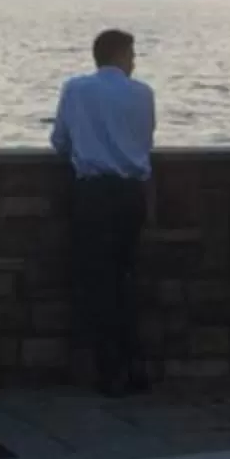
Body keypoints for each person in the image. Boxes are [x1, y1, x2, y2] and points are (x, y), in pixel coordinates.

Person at [51, 28, 156, 393]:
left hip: (93, 193)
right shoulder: (143, 93)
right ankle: (135, 363)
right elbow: (145, 141)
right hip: (132, 193)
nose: (134, 62)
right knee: (126, 276)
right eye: (132, 55)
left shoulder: (76, 90)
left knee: (97, 280)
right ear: (121, 54)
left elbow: (59, 141)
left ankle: (109, 369)